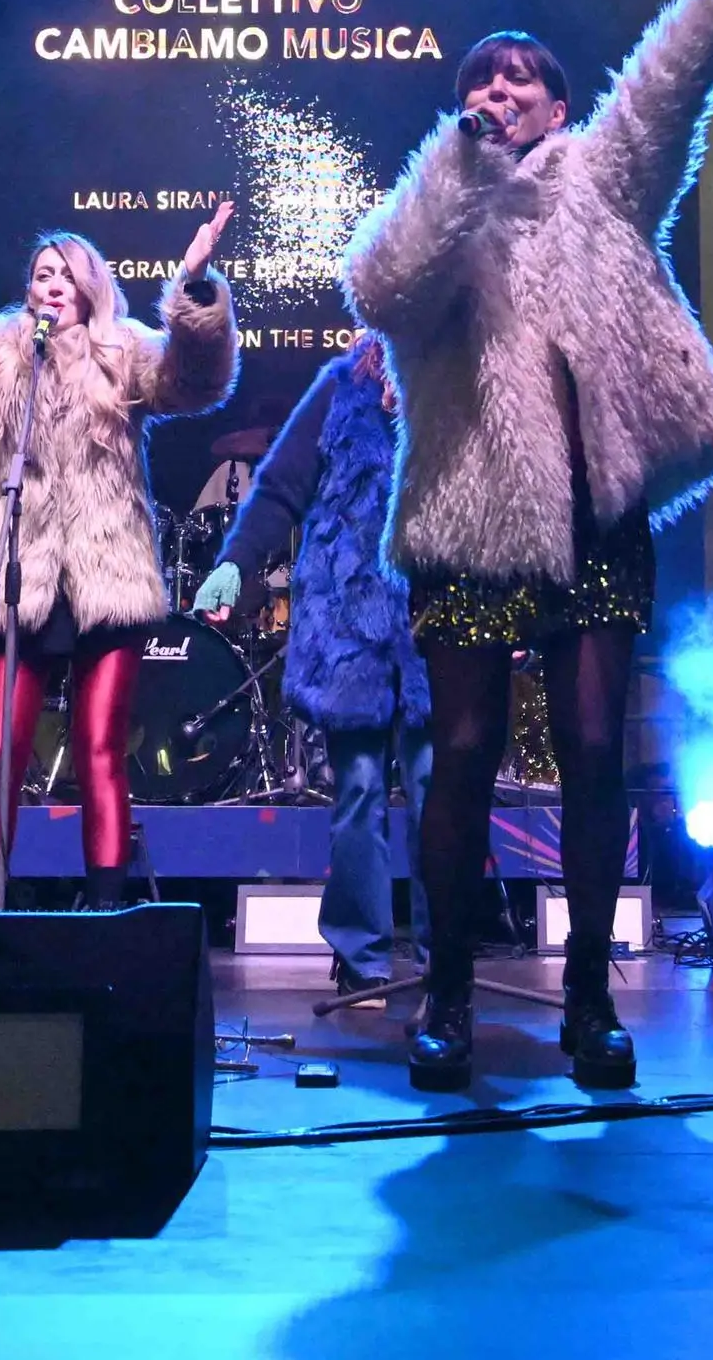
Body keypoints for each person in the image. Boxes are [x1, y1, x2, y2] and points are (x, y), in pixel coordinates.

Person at [347, 0, 713, 1090]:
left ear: (562, 107)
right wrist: (456, 166)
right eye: (485, 80)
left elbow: (666, 88)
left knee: (591, 750)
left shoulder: (605, 178)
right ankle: (451, 997)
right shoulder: (443, 205)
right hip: (471, 515)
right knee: (459, 751)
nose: (504, 91)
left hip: (594, 511)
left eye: (525, 81)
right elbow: (380, 289)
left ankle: (586, 1007)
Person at [0, 192, 236, 904]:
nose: (50, 285)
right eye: (40, 275)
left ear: (91, 288)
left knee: (99, 753)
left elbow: (196, 384)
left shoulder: (125, 355)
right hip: (15, 578)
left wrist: (197, 293)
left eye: (65, 275)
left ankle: (111, 909)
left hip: (106, 577)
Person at [195, 330, 428, 990]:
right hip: (349, 626)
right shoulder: (339, 387)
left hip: (433, 624)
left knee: (437, 789)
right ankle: (361, 962)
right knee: (358, 791)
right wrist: (236, 566)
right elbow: (278, 489)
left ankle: (449, 965)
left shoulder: (450, 383)